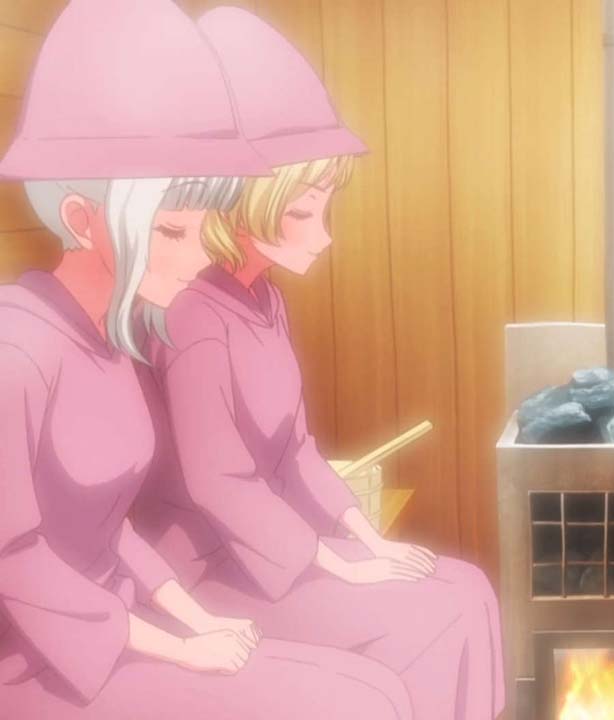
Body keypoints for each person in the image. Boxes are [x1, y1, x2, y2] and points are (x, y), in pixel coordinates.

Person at [0, 1, 411, 717]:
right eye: (171, 231)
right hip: (44, 665)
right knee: (357, 702)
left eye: (202, 228)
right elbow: (16, 560)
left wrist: (196, 622)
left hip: (132, 624)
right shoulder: (17, 354)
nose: (198, 257)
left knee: (374, 692)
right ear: (81, 219)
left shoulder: (112, 336)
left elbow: (109, 530)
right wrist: (178, 645)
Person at [130, 9, 504, 719]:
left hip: (280, 549)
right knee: (426, 621)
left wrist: (370, 543)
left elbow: (297, 448)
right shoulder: (192, 318)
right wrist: (336, 564)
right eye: (302, 214)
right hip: (215, 568)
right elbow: (218, 484)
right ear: (239, 210)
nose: (324, 236)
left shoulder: (264, 300)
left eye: (325, 209)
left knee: (468, 590)